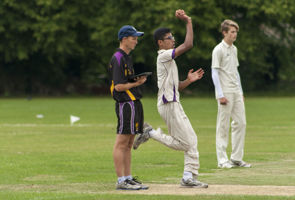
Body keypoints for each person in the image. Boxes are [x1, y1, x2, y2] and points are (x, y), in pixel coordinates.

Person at [133, 9, 208, 188]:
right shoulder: (164, 56)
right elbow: (188, 45)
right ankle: (150, 133)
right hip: (168, 104)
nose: (173, 39)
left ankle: (189, 176)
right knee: (185, 143)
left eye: (173, 36)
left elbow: (176, 87)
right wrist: (188, 21)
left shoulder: (169, 60)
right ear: (160, 42)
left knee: (192, 140)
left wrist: (188, 81)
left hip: (173, 103)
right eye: (169, 37)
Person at [108, 25, 149, 190]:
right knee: (122, 142)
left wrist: (135, 81)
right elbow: (118, 86)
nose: (136, 41)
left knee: (129, 142)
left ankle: (128, 177)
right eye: (134, 38)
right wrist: (137, 83)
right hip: (126, 103)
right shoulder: (118, 57)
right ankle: (121, 180)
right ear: (124, 39)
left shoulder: (127, 57)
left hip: (134, 102)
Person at [211, 19, 251, 169]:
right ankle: (222, 160)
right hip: (225, 91)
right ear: (225, 33)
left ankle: (236, 158)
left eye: (236, 32)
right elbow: (214, 73)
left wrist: (240, 91)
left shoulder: (234, 49)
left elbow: (236, 71)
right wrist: (220, 94)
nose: (235, 35)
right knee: (223, 125)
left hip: (235, 91)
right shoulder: (218, 49)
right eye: (232, 32)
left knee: (241, 123)